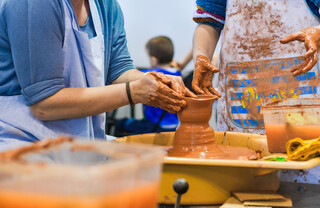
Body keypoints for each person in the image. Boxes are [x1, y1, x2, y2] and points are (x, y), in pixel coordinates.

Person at [191, 0, 320, 186]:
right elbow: (208, 21)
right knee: (247, 178)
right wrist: (201, 56)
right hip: (245, 91)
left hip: (306, 85)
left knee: (312, 183)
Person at [0, 0, 193, 151]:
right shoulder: (33, 4)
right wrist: (132, 92)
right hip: (25, 145)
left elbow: (119, 70)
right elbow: (44, 105)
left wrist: (155, 81)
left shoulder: (105, 6)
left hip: (78, 142)